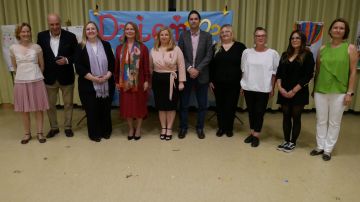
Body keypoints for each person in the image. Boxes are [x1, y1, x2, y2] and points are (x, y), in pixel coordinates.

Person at [310, 18, 358, 161]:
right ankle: (320, 146)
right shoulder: (323, 48)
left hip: (340, 91)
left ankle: (328, 149)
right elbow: (318, 71)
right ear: (330, 30)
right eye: (335, 27)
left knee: (334, 122)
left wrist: (349, 92)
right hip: (321, 90)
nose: (338, 30)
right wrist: (314, 89)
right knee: (321, 119)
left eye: (341, 28)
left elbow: (353, 71)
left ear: (345, 31)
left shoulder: (350, 48)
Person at [37, 13, 78, 138]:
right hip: (49, 77)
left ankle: (68, 127)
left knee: (68, 104)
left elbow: (77, 55)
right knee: (50, 105)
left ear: (60, 23)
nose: (55, 27)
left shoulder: (70, 37)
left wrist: (67, 60)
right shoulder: (41, 36)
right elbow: (39, 55)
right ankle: (54, 128)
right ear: (48, 24)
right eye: (52, 24)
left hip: (66, 76)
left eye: (57, 24)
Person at [74, 21, 115, 142]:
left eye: (93, 28)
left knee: (105, 109)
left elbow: (112, 63)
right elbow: (79, 67)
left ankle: (106, 131)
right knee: (92, 110)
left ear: (97, 31)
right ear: (85, 32)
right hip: (88, 84)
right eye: (88, 29)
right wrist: (94, 78)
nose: (91, 31)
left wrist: (107, 76)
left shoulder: (106, 45)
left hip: (106, 83)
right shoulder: (80, 46)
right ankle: (94, 134)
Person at [276, 30, 315, 152]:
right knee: (286, 116)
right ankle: (286, 141)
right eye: (292, 38)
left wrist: (294, 91)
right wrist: (280, 88)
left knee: (296, 116)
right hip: (283, 90)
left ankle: (293, 142)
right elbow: (279, 73)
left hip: (298, 91)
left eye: (297, 38)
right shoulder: (284, 55)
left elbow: (308, 75)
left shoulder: (307, 55)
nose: (294, 40)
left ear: (302, 40)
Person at [10, 23, 49, 144]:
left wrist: (35, 75)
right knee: (24, 110)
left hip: (36, 80)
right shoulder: (13, 48)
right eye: (23, 32)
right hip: (21, 82)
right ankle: (27, 134)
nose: (26, 34)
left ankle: (40, 133)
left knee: (39, 108)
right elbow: (15, 66)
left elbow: (42, 65)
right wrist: (23, 75)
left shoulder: (37, 47)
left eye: (28, 31)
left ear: (30, 32)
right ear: (18, 34)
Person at [241, 27, 279, 147]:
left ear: (266, 37)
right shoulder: (247, 52)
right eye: (258, 36)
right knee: (251, 112)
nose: (260, 38)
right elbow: (243, 70)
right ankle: (252, 133)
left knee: (259, 112)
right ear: (254, 37)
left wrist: (272, 87)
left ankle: (256, 135)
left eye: (262, 35)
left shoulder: (272, 53)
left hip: (263, 88)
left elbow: (274, 72)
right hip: (248, 87)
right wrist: (242, 85)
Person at [178, 10, 213, 139]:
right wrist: (189, 68)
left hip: (202, 75)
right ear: (188, 21)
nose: (193, 21)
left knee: (202, 105)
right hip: (186, 75)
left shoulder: (207, 36)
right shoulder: (183, 36)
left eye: (195, 19)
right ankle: (183, 127)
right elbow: (180, 54)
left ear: (199, 21)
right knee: (184, 104)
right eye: (191, 19)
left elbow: (209, 55)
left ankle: (200, 128)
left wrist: (197, 69)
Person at [114, 22, 150, 141]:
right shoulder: (119, 48)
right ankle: (130, 128)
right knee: (127, 107)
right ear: (124, 32)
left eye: (132, 29)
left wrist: (146, 81)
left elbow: (146, 66)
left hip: (139, 82)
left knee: (139, 106)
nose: (129, 31)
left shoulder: (142, 47)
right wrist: (116, 81)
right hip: (124, 82)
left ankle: (138, 128)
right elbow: (116, 67)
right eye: (127, 29)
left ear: (136, 32)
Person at [209, 24, 246, 137]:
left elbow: (245, 66)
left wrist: (244, 82)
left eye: (227, 31)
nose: (225, 33)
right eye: (223, 32)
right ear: (220, 34)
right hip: (218, 83)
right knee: (220, 106)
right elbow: (211, 65)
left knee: (231, 106)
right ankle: (221, 128)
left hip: (234, 83)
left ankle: (229, 128)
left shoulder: (240, 47)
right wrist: (210, 80)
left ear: (232, 34)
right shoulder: (215, 47)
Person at [150, 27, 186, 141]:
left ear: (170, 37)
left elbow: (181, 66)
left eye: (166, 35)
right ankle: (163, 128)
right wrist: (150, 82)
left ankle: (169, 128)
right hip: (157, 80)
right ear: (158, 37)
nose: (164, 37)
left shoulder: (176, 49)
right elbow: (150, 68)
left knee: (170, 106)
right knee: (161, 106)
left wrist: (181, 82)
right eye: (162, 35)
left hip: (172, 79)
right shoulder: (153, 50)